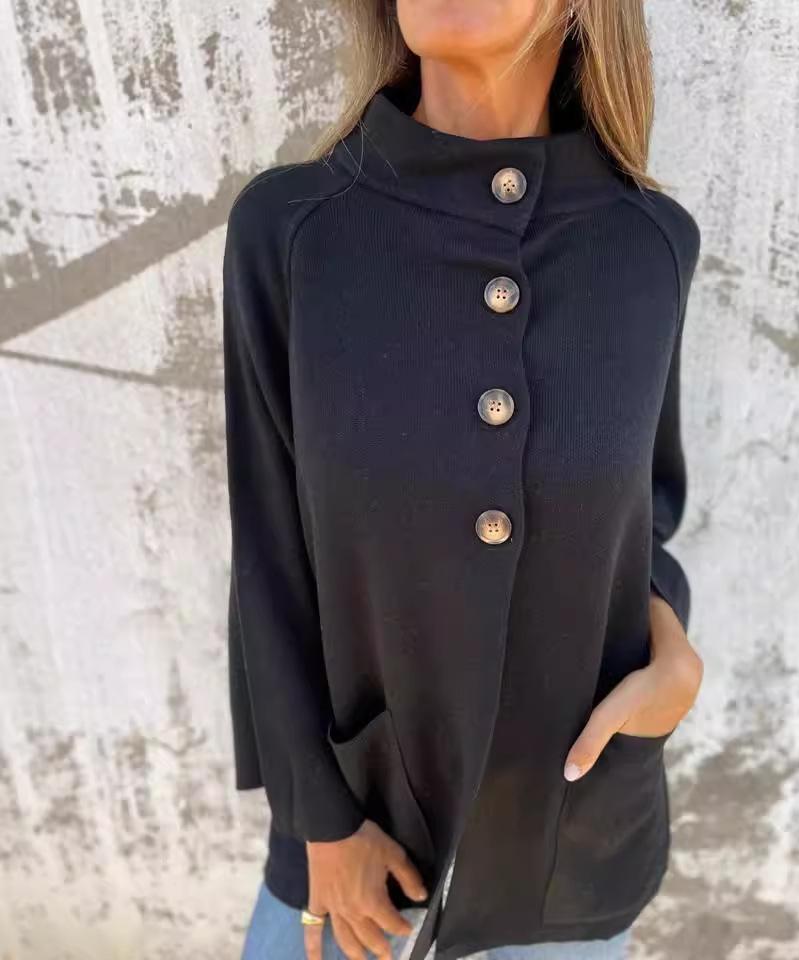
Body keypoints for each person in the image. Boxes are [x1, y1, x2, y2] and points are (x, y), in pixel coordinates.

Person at [222, 1, 704, 958]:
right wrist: (319, 822)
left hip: (572, 857)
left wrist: (675, 659)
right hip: (362, 856)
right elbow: (268, 553)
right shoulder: (294, 231)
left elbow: (641, 519)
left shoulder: (650, 245)